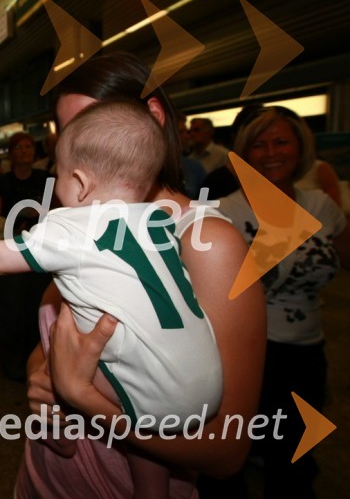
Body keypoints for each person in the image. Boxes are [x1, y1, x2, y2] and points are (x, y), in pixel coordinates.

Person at [0, 102, 222, 499]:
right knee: (146, 413)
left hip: (150, 382)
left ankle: (62, 430)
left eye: (59, 177)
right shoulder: (158, 221)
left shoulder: (71, 226)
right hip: (203, 382)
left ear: (81, 184)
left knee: (69, 360)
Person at [18, 52, 265, 499]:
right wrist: (40, 372)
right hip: (41, 479)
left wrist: (82, 397)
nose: (84, 152)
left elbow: (227, 451)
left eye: (94, 125)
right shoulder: (82, 223)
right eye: (70, 135)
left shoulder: (208, 245)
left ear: (152, 117)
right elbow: (60, 335)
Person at [218, 107, 350, 498]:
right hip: (246, 353)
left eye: (280, 142)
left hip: (309, 348)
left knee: (294, 461)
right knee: (229, 462)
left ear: (300, 148)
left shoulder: (320, 206)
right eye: (257, 145)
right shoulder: (227, 212)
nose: (270, 152)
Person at [0, 132, 54, 380]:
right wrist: (14, 223)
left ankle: (37, 357)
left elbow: (58, 210)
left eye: (28, 146)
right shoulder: (3, 182)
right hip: (12, 251)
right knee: (12, 306)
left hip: (41, 251)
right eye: (19, 147)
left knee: (37, 304)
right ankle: (12, 359)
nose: (24, 151)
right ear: (11, 152)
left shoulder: (46, 179)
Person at [177, 111, 207, 199]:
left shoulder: (194, 167)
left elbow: (205, 201)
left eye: (186, 131)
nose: (187, 136)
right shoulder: (151, 169)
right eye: (180, 132)